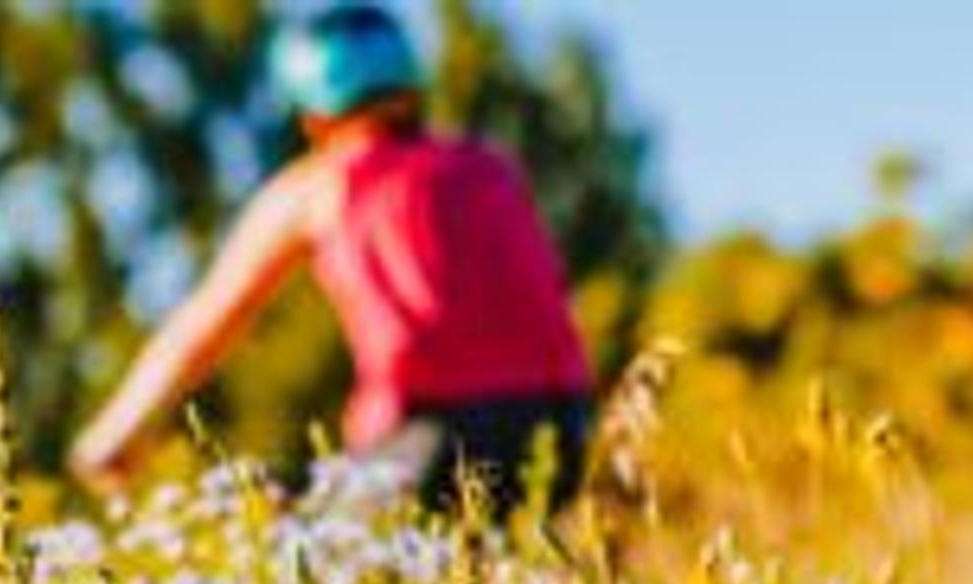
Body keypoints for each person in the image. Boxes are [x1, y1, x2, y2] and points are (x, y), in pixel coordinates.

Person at [70, 3, 598, 517]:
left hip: (430, 441)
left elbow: (203, 326)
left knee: (302, 558)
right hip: (564, 432)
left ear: (314, 115)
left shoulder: (324, 185)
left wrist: (112, 436)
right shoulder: (488, 167)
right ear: (413, 89)